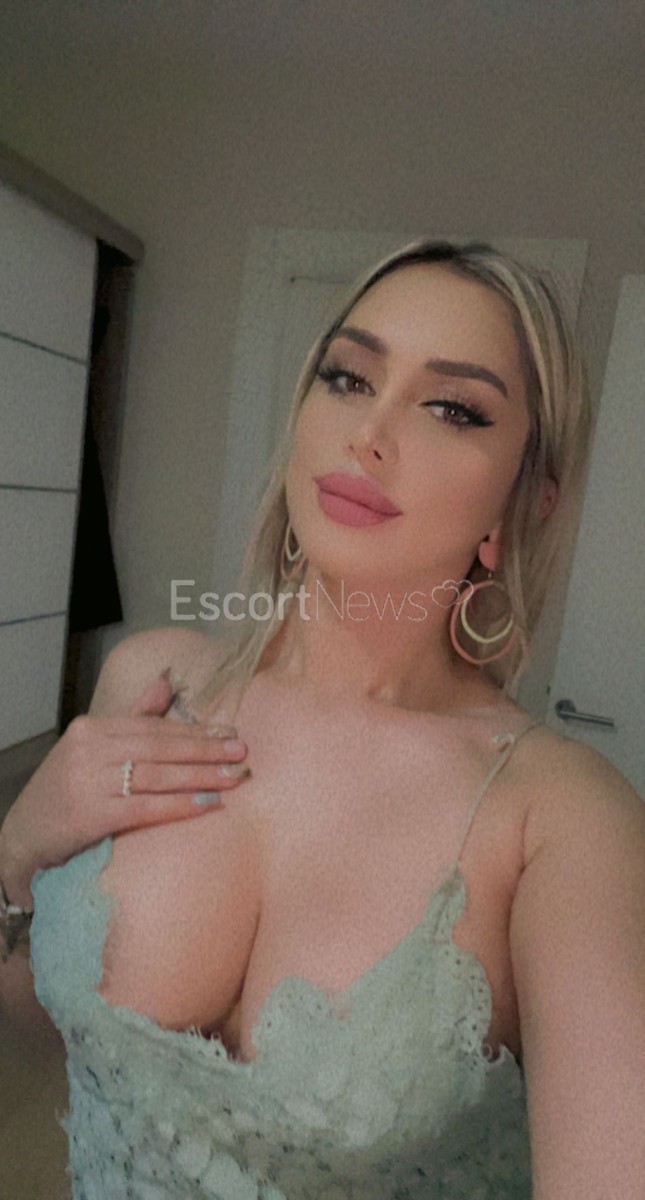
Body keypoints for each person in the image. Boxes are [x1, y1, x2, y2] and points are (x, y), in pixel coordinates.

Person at [2, 239, 644, 1199]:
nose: (369, 433)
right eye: (349, 378)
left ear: (519, 503)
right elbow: (40, 1031)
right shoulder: (152, 681)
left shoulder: (565, 816)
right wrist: (15, 855)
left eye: (452, 408)